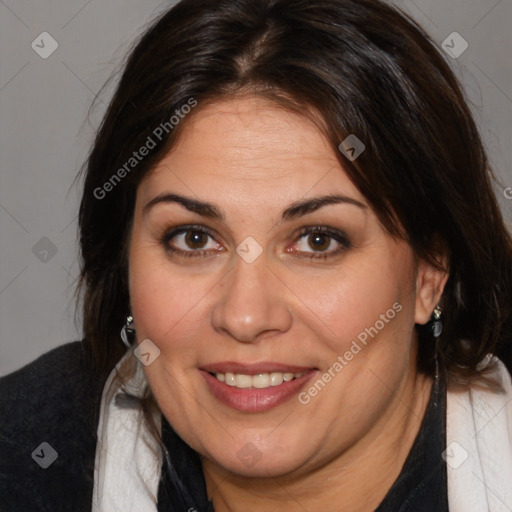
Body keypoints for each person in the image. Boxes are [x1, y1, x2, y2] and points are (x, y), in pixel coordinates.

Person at [1, 0, 512, 510]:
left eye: (317, 240)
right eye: (194, 239)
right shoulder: (25, 455)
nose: (245, 316)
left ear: (429, 273)